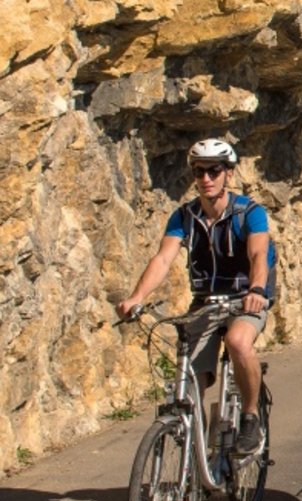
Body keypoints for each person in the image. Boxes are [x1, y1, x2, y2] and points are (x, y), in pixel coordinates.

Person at [117, 138, 276, 455]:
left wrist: (257, 290)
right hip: (205, 301)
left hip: (245, 297)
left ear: (228, 173)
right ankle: (196, 463)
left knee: (238, 342)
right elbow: (163, 259)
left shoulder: (250, 213)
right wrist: (136, 297)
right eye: (198, 171)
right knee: (190, 384)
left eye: (213, 170)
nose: (205, 178)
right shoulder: (184, 216)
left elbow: (259, 254)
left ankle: (250, 415)